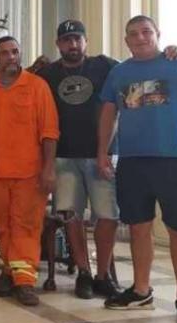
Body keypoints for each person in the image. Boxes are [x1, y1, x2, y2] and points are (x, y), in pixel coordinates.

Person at [97, 15, 177, 323]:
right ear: (126, 40)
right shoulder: (119, 73)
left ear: (157, 34)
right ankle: (141, 290)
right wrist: (102, 152)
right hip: (133, 161)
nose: (140, 37)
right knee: (139, 228)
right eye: (133, 34)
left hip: (173, 160)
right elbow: (108, 115)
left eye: (146, 32)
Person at [37, 20, 121, 300]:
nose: (73, 45)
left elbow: (138, 68)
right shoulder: (47, 73)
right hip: (64, 157)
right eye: (67, 40)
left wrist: (171, 51)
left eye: (77, 39)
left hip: (103, 155)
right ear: (58, 44)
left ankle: (103, 275)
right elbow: (16, 79)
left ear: (85, 41)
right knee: (71, 216)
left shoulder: (105, 66)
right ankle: (83, 273)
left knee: (108, 215)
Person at [0, 36, 59, 306]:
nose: (11, 57)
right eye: (4, 53)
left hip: (29, 173)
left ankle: (24, 281)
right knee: (1, 225)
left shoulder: (37, 86)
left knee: (25, 225)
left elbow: (49, 132)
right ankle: (8, 270)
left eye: (15, 52)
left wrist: (48, 169)